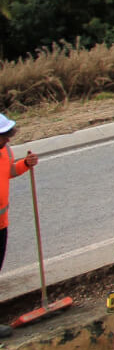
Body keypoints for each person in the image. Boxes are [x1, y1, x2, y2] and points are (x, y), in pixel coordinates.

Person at [0, 113, 38, 338]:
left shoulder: (5, 151)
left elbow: (9, 172)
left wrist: (25, 164)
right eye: (3, 136)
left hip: (1, 224)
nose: (7, 140)